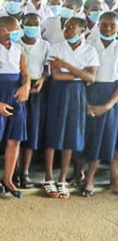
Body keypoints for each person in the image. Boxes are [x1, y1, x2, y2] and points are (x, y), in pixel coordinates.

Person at [42, 17, 98, 199]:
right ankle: (48, 177)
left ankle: (62, 179)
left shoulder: (90, 50)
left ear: (82, 30)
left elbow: (91, 78)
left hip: (77, 95)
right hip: (58, 92)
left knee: (70, 135)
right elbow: (56, 76)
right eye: (66, 27)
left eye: (72, 28)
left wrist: (66, 65)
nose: (67, 31)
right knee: (53, 133)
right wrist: (80, 74)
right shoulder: (57, 47)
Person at [0, 16, 31, 198]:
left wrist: (26, 86)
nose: (18, 30)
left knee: (15, 138)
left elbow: (25, 73)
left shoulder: (19, 48)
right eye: (15, 28)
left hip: (16, 94)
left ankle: (9, 178)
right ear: (4, 30)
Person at [80, 11, 118, 197]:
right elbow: (81, 76)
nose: (108, 28)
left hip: (111, 96)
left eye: (112, 25)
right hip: (89, 93)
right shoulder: (89, 44)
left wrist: (108, 105)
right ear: (98, 25)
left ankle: (92, 177)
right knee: (88, 137)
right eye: (104, 24)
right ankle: (82, 175)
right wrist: (85, 102)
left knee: (106, 138)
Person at [17, 13, 49, 188]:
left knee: (32, 131)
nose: (32, 27)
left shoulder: (45, 45)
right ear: (22, 25)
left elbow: (46, 68)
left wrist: (42, 80)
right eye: (28, 24)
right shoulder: (16, 43)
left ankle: (25, 172)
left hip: (36, 90)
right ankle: (13, 170)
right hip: (18, 89)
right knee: (15, 132)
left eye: (35, 24)